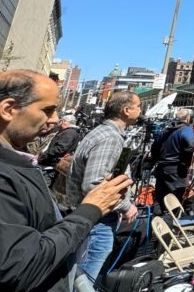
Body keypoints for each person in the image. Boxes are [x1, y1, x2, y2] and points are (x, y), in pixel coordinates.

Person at [0, 70, 132, 292]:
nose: (55, 119)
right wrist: (90, 210)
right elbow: (20, 268)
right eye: (47, 110)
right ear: (8, 109)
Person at [67, 90, 141, 290]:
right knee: (83, 281)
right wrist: (126, 206)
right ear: (126, 110)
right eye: (138, 106)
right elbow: (94, 184)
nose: (140, 111)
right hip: (96, 221)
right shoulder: (110, 137)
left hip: (92, 217)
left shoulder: (104, 132)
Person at [151, 108, 194, 213]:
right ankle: (170, 225)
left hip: (162, 169)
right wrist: (185, 161)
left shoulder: (167, 129)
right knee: (175, 201)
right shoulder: (186, 129)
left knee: (159, 200)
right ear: (188, 118)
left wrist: (157, 159)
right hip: (176, 171)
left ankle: (156, 226)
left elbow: (155, 146)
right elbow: (190, 144)